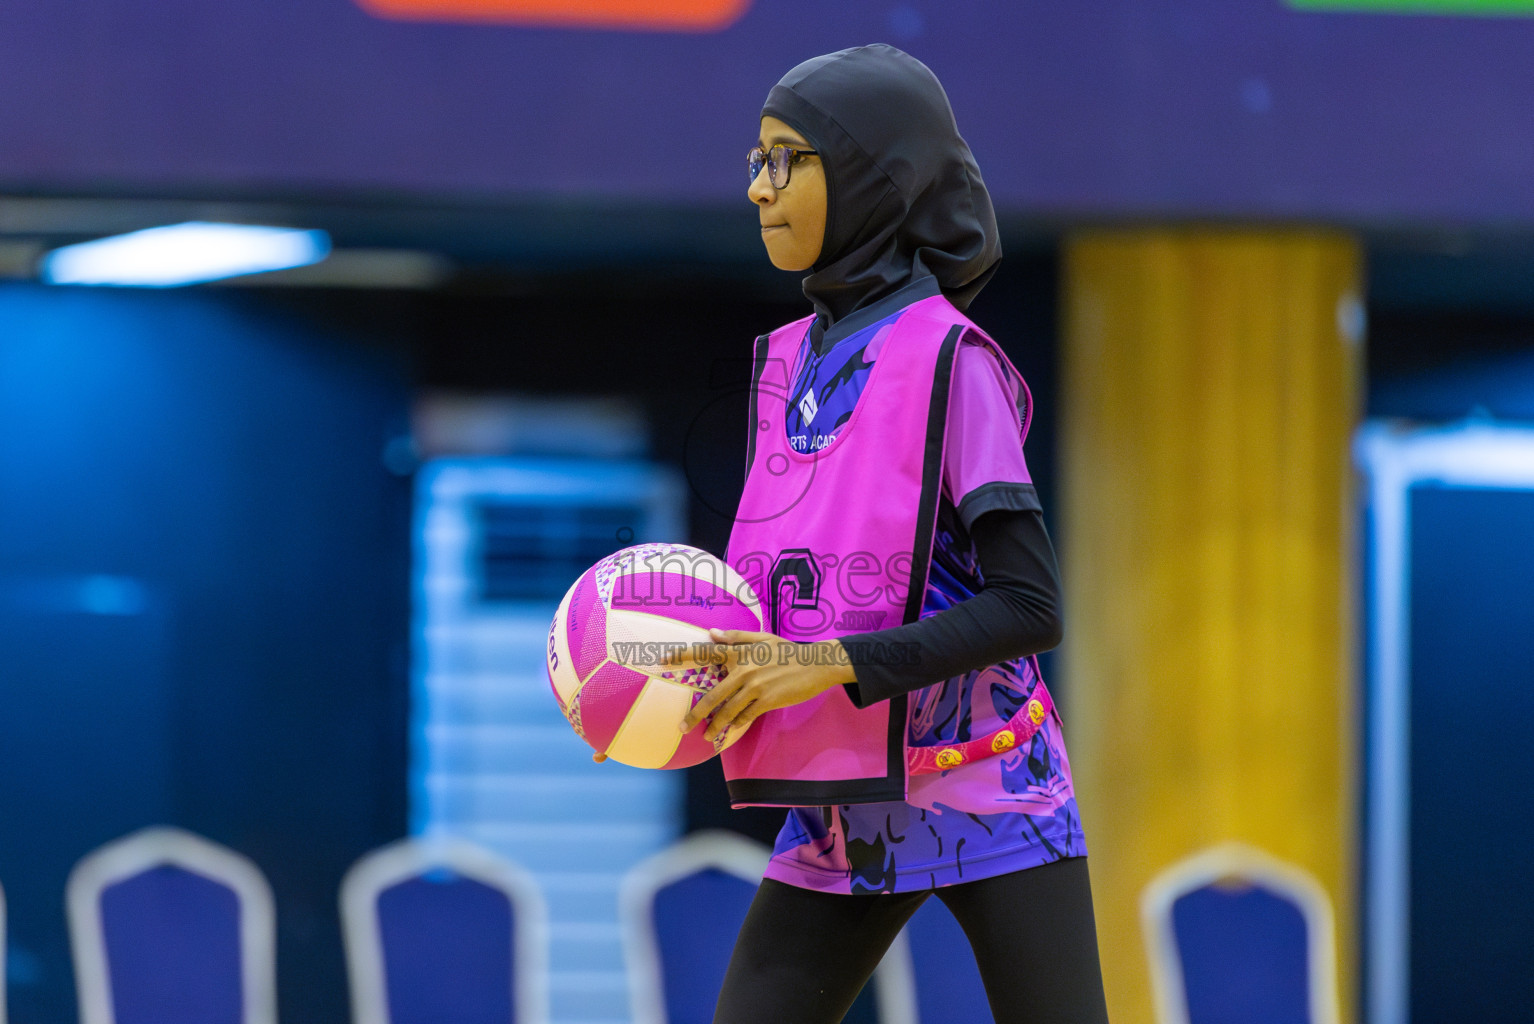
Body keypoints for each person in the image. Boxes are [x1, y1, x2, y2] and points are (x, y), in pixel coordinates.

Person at [654, 44, 1110, 1024]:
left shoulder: (953, 360)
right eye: (755, 159)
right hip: (845, 785)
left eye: (788, 159)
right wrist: (660, 685)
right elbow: (794, 590)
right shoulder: (791, 362)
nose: (757, 188)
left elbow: (1030, 608)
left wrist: (823, 661)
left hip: (988, 780)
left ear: (870, 178)